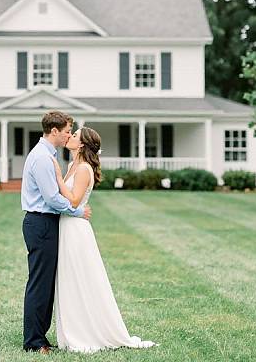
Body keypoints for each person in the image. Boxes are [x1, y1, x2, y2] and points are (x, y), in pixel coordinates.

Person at [52, 126, 158, 353]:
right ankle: (73, 329)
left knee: (80, 279)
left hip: (76, 229)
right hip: (66, 227)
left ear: (81, 144)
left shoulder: (82, 169)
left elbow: (73, 202)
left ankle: (86, 333)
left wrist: (58, 178)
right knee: (70, 279)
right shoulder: (72, 165)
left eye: (74, 135)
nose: (69, 136)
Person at [21, 111, 92, 354]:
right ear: (54, 131)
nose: (67, 136)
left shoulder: (48, 155)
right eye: (65, 132)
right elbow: (51, 197)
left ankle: (40, 337)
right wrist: (76, 211)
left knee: (46, 284)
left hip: (46, 223)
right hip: (40, 223)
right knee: (40, 283)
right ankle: (33, 342)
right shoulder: (42, 158)